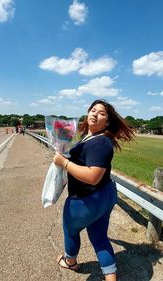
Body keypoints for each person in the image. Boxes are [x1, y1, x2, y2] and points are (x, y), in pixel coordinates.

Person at [53, 99, 134, 281]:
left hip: (86, 200)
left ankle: (70, 261)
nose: (95, 114)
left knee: (70, 230)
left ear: (108, 122)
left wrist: (63, 162)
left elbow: (92, 176)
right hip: (104, 197)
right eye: (93, 110)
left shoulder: (101, 143)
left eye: (102, 113)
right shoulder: (90, 137)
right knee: (99, 238)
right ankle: (110, 277)